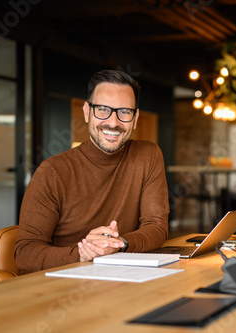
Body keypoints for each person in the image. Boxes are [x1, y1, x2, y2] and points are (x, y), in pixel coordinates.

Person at [15, 70, 169, 274]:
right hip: (63, 289)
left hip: (124, 281)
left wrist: (119, 243)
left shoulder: (148, 155)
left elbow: (157, 227)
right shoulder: (52, 172)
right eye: (103, 109)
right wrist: (84, 254)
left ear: (135, 117)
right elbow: (25, 253)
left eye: (124, 111)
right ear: (87, 112)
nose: (113, 123)